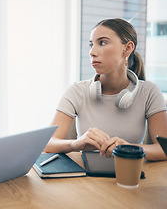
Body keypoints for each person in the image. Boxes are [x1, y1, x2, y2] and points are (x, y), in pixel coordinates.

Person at [44, 18, 167, 161]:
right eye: (91, 44)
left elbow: (164, 149)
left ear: (127, 48)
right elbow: (48, 144)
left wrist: (128, 148)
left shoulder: (149, 92)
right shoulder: (77, 91)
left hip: (129, 174)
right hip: (85, 179)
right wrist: (76, 143)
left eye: (102, 43)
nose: (92, 52)